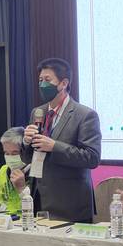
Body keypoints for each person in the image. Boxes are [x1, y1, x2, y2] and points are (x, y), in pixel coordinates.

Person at [22, 57, 102, 222]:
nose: (42, 84)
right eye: (40, 80)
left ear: (63, 83)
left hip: (70, 202)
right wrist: (26, 142)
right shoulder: (38, 112)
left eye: (47, 80)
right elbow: (27, 157)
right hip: (39, 198)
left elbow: (92, 158)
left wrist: (54, 146)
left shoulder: (85, 115)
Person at [0, 127, 30, 214]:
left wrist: (21, 189)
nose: (10, 157)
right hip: (3, 220)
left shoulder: (36, 174)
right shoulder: (2, 172)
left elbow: (36, 210)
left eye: (15, 153)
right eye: (6, 153)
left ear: (25, 152)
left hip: (25, 220)